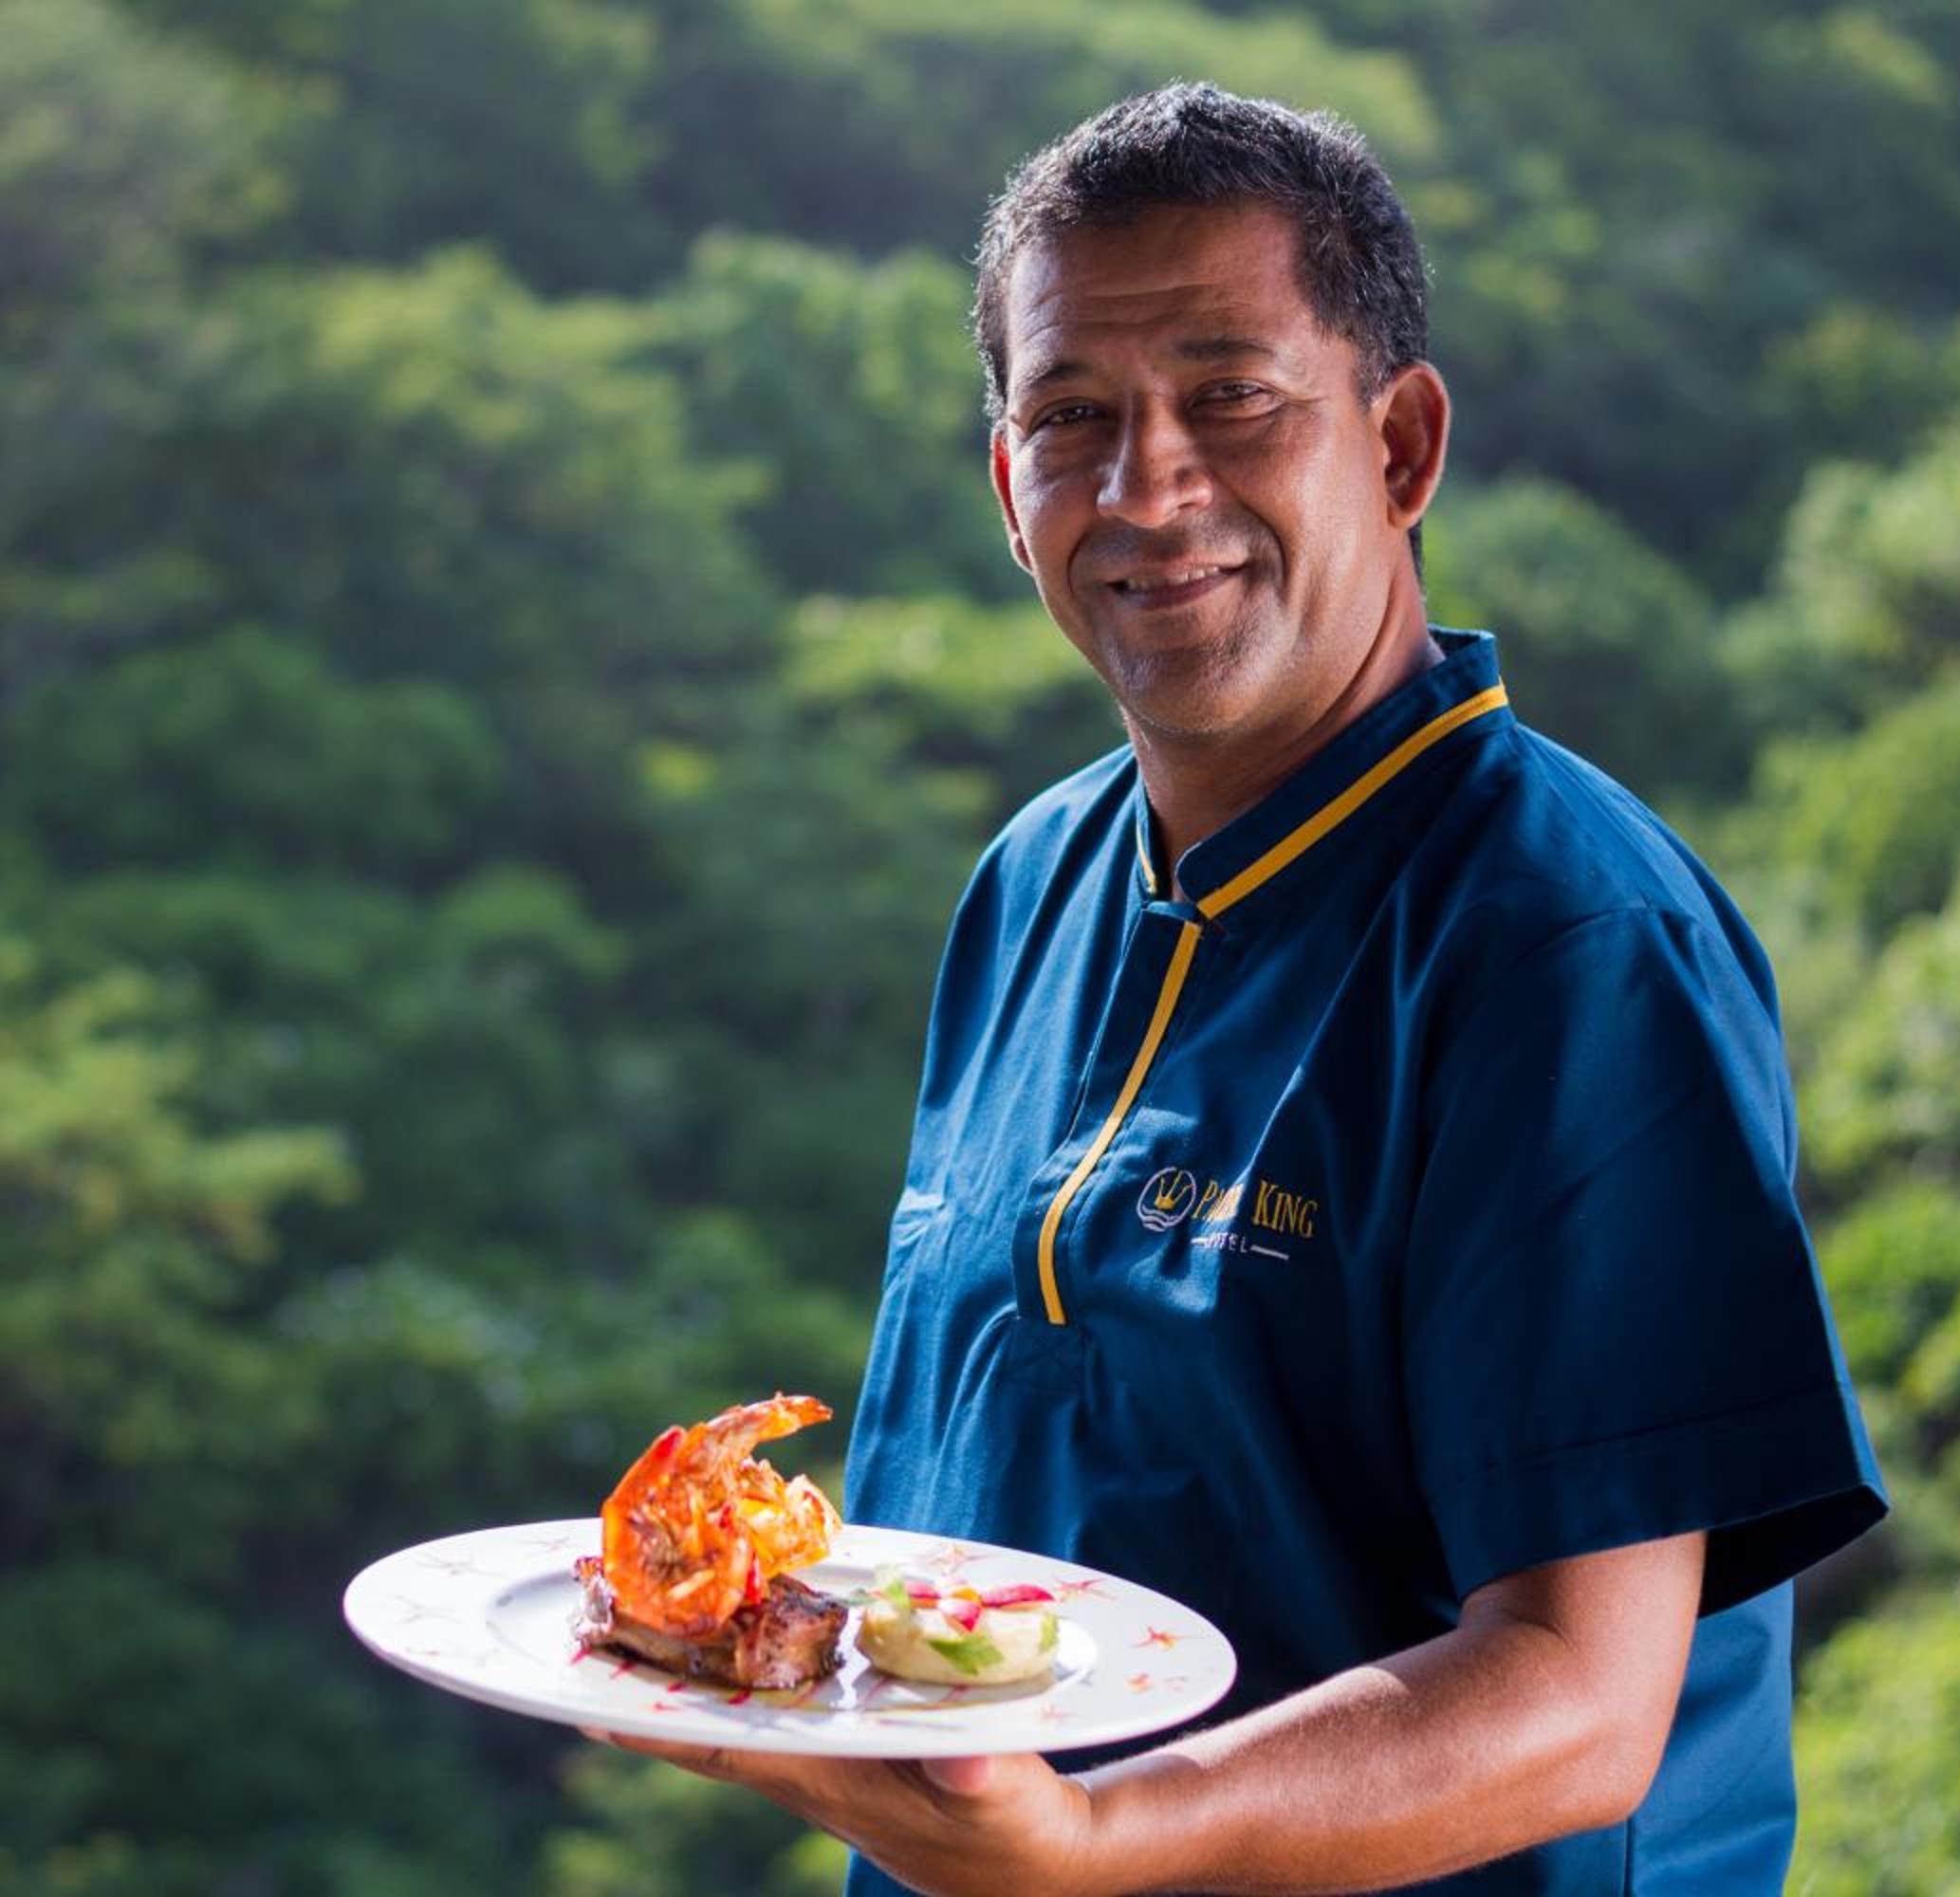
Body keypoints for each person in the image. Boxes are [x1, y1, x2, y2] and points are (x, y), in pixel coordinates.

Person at [595, 83, 1887, 1894]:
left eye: (1231, 398)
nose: (1148, 488)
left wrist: (1099, 1840)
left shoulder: (1566, 941)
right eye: (1073, 418)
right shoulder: (1033, 882)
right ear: (1009, 491)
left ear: (1403, 446)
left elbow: (1583, 1704)